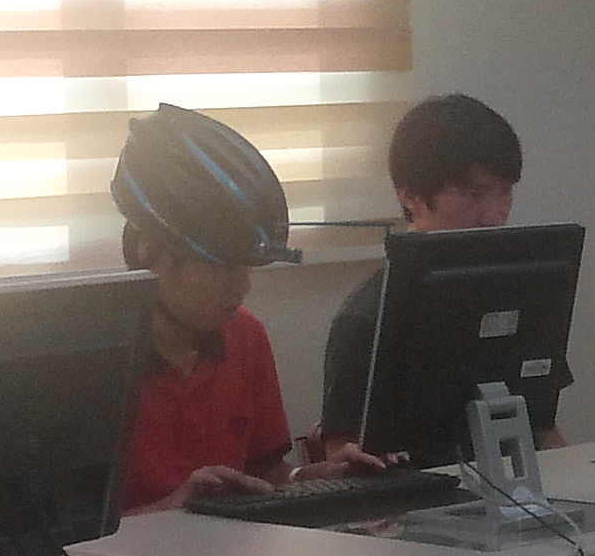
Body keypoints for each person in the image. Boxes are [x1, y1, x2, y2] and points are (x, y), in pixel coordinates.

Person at [108, 101, 394, 511]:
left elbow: (266, 474)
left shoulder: (245, 335)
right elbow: (55, 537)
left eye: (247, 268)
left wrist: (314, 478)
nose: (243, 286)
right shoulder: (91, 360)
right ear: (151, 252)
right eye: (223, 268)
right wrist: (175, 509)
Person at [312, 92, 567, 454]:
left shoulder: (522, 293)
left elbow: (542, 425)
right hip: (412, 487)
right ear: (410, 195)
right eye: (473, 195)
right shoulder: (367, 317)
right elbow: (343, 456)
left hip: (512, 482)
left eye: (504, 193)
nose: (494, 216)